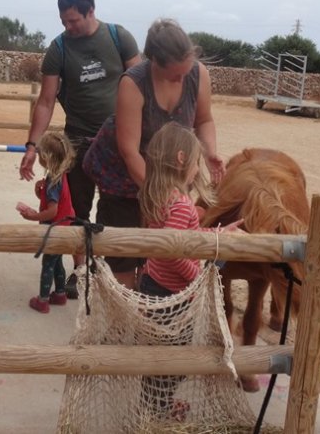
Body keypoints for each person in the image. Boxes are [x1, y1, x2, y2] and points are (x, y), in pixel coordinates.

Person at [19, 0, 141, 298]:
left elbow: (142, 91)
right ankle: (81, 270)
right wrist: (32, 145)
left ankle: (120, 271)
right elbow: (46, 101)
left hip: (118, 144)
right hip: (76, 143)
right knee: (74, 212)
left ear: (90, 11)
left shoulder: (119, 38)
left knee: (119, 210)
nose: (68, 27)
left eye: (73, 20)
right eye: (63, 21)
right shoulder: (58, 48)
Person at [83, 18, 224, 289]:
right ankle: (124, 312)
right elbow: (129, 151)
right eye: (175, 75)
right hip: (127, 181)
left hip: (170, 181)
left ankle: (148, 310)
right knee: (124, 255)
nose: (182, 79)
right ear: (155, 63)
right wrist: (161, 196)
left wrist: (210, 152)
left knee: (165, 255)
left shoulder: (198, 74)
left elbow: (204, 120)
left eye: (186, 72)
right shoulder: (133, 83)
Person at [135, 122, 243, 419]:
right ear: (182, 159)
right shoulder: (181, 204)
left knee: (162, 353)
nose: (198, 168)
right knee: (176, 358)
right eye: (197, 161)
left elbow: (183, 238)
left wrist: (218, 235)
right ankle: (159, 406)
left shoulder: (159, 196)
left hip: (154, 286)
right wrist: (197, 279)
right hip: (174, 295)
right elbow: (172, 252)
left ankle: (156, 402)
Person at [17, 131, 77, 313]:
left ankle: (42, 300)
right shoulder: (61, 175)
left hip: (55, 229)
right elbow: (55, 202)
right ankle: (59, 294)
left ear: (46, 157)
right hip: (66, 226)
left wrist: (32, 216)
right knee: (57, 262)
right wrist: (39, 193)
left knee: (48, 264)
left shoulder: (53, 180)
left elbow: (52, 211)